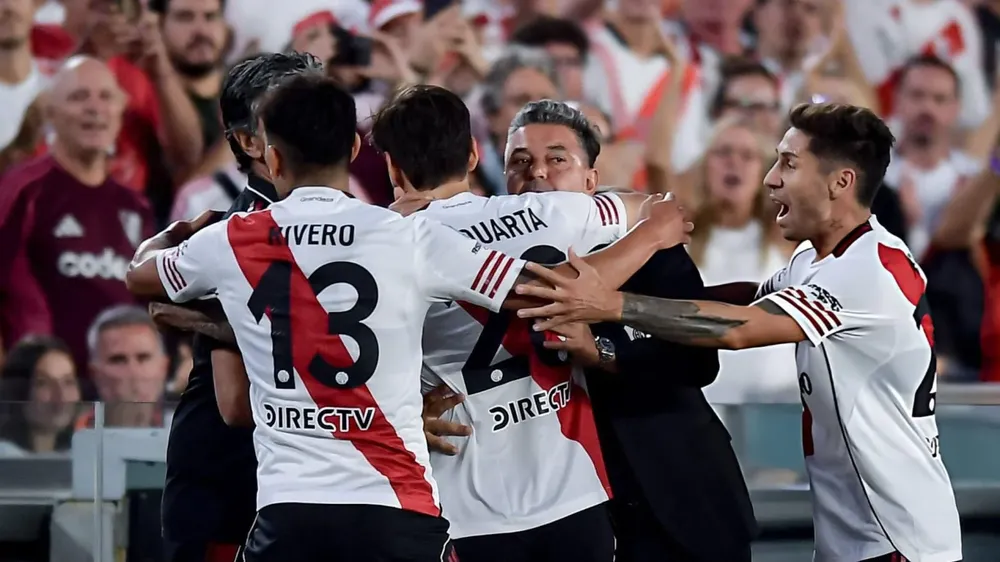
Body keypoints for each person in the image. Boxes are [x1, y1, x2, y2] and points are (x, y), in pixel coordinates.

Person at [124, 74, 689, 561]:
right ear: (352, 149)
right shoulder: (411, 238)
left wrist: (178, 240)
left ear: (271, 157)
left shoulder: (232, 240)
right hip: (431, 501)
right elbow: (547, 289)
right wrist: (651, 235)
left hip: (314, 508)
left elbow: (142, 277)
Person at [516, 103, 963, 562]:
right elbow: (745, 301)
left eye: (788, 163)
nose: (771, 178)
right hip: (857, 533)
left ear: (840, 182)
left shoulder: (866, 273)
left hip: (897, 538)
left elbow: (736, 330)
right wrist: (638, 285)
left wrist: (608, 304)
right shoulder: (818, 260)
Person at [374, 91, 659, 562]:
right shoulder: (558, 212)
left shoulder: (384, 245)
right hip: (574, 491)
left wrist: (397, 417)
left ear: (393, 170)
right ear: (471, 154)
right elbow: (646, 207)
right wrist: (653, 229)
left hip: (465, 503)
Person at [507, 103, 757, 562]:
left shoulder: (651, 245)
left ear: (590, 181)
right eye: (520, 162)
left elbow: (697, 360)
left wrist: (599, 350)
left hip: (673, 499)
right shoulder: (481, 264)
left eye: (557, 159)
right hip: (547, 516)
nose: (537, 172)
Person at [157, 51, 324, 562]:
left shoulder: (340, 223)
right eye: (297, 111)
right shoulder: (229, 239)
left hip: (300, 494)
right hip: (231, 497)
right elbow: (234, 405)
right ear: (249, 141)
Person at [0, 55, 154, 378]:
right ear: (51, 115)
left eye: (105, 97)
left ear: (119, 112)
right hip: (37, 397)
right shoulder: (22, 191)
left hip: (117, 394)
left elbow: (150, 306)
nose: (94, 108)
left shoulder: (137, 208)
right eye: (78, 97)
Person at [0, 336, 81, 456]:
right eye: (44, 383)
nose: (61, 396)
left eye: (68, 382)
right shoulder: (5, 456)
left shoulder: (84, 457)